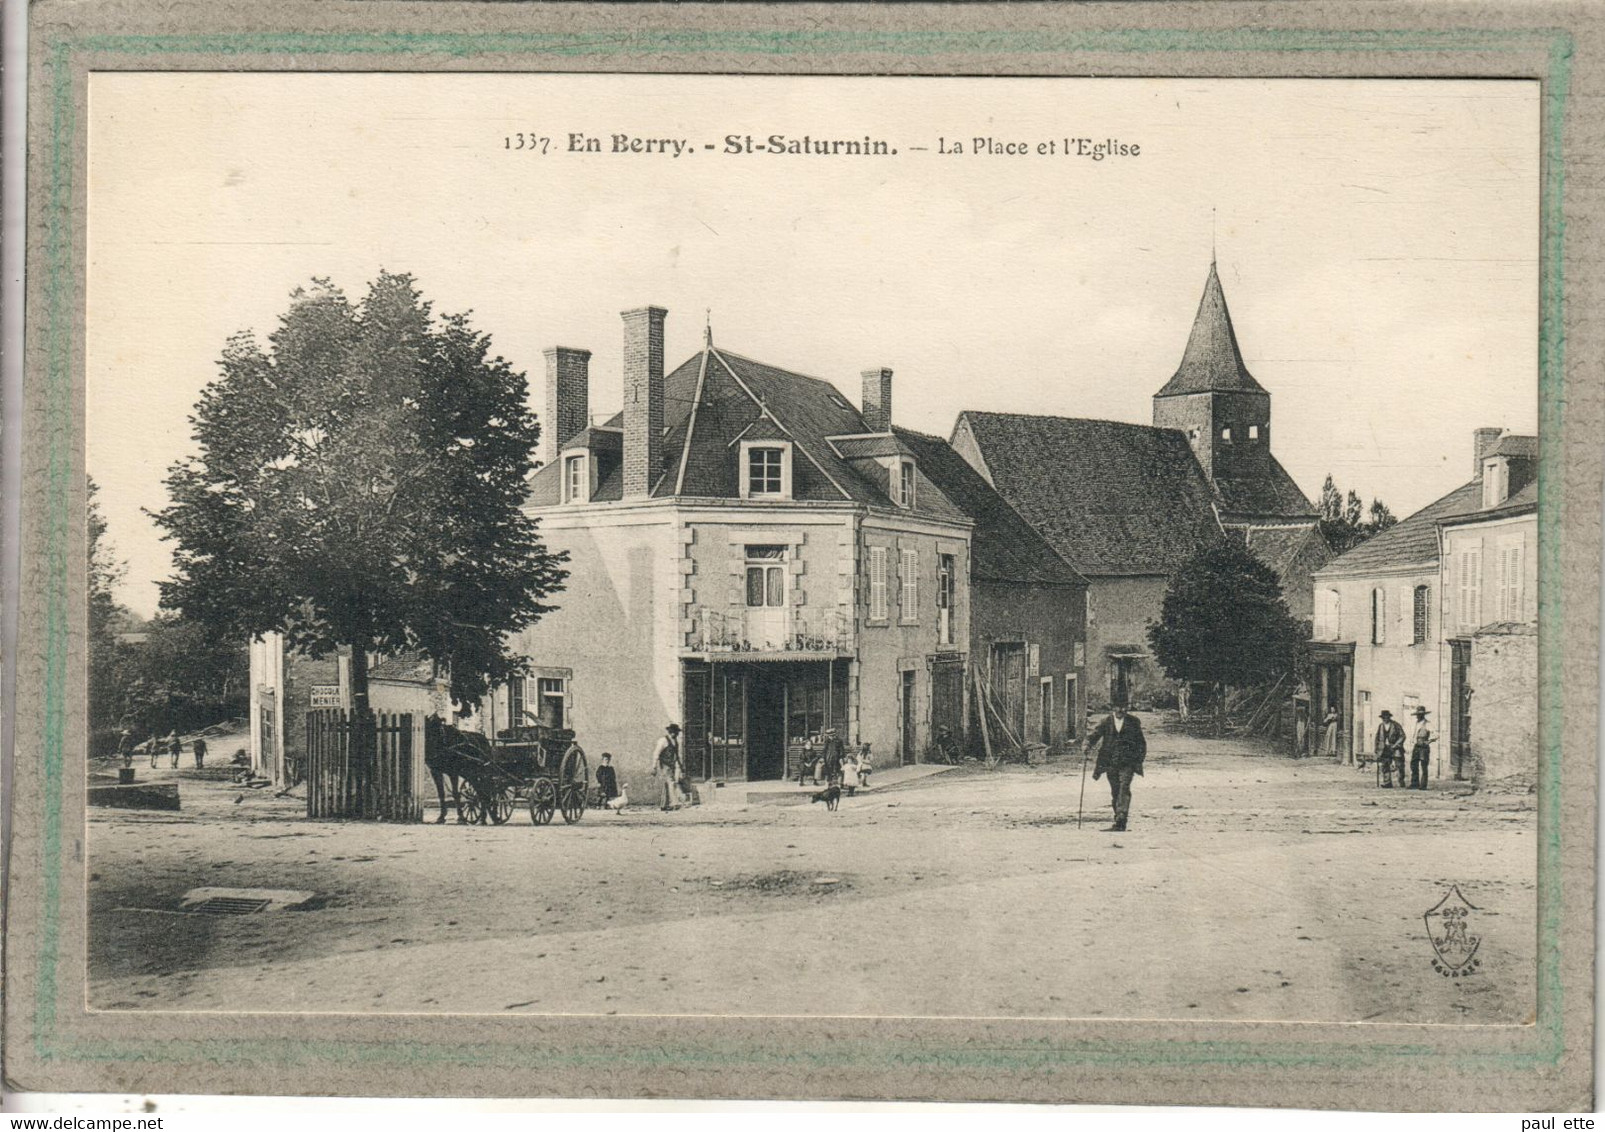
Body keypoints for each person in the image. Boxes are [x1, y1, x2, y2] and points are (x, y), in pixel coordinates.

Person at [1087, 704, 1147, 832]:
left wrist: (1138, 759)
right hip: (1110, 762)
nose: (1122, 710)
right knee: (1115, 790)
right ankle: (1118, 817)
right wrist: (1087, 745)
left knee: (1124, 787)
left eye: (1124, 707)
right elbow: (1094, 735)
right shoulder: (1106, 721)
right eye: (1119, 707)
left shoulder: (1134, 722)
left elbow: (1141, 742)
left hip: (1128, 762)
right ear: (1113, 708)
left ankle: (1121, 818)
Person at [652, 723, 682, 811]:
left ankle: (664, 804)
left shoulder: (675, 741)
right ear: (671, 732)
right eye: (676, 732)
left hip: (671, 765)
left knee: (667, 783)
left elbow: (676, 754)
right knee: (671, 782)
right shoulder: (663, 741)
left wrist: (679, 764)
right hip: (665, 764)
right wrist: (654, 766)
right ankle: (673, 803)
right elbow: (656, 753)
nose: (676, 734)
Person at [1374, 709, 1407, 788]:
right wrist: (1376, 748)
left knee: (1399, 765)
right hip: (1384, 748)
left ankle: (1401, 782)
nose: (1385, 719)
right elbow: (1377, 738)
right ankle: (1387, 783)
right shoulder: (1381, 726)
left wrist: (1396, 745)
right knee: (1385, 765)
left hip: (1396, 748)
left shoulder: (1396, 725)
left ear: (1389, 717)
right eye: (1383, 717)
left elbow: (1402, 736)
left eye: (1386, 717)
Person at [1409, 707, 1436, 790]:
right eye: (1417, 715)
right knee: (1413, 765)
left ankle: (1423, 785)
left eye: (1420, 715)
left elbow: (1436, 734)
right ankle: (1414, 783)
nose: (1418, 716)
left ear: (1423, 715)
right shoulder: (1416, 724)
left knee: (1424, 766)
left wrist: (1428, 741)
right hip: (1416, 746)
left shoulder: (1428, 724)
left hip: (1424, 748)